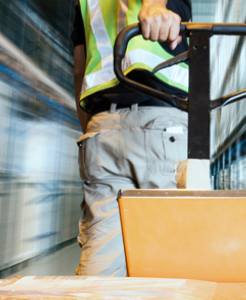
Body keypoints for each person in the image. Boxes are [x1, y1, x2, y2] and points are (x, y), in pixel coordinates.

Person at [71, 0, 191, 276]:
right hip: (162, 124)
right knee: (171, 260)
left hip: (101, 129)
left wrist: (91, 128)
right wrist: (154, 7)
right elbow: (152, 9)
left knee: (100, 263)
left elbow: (79, 72)